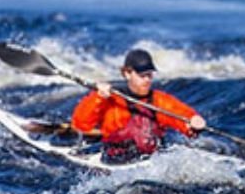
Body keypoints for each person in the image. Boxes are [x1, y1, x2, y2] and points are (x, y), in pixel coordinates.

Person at [71, 48, 207, 162]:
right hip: (114, 159)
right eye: (142, 75)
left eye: (150, 75)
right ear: (127, 73)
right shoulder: (110, 98)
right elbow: (81, 124)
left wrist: (193, 121)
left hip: (149, 160)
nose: (147, 80)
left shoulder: (159, 100)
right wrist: (99, 97)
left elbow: (179, 113)